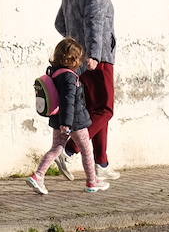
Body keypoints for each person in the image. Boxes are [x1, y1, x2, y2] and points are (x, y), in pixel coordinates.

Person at [54, 0, 120, 181]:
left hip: (79, 61)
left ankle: (101, 162)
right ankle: (69, 149)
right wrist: (93, 53)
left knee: (94, 111)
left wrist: (77, 46)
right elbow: (94, 21)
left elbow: (60, 24)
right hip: (99, 58)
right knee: (105, 109)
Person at [25, 37, 108, 194]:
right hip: (74, 121)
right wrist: (67, 123)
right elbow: (68, 101)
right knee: (86, 149)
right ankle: (92, 182)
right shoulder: (70, 77)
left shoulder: (54, 72)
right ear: (74, 59)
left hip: (58, 119)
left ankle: (38, 176)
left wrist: (62, 122)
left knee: (56, 148)